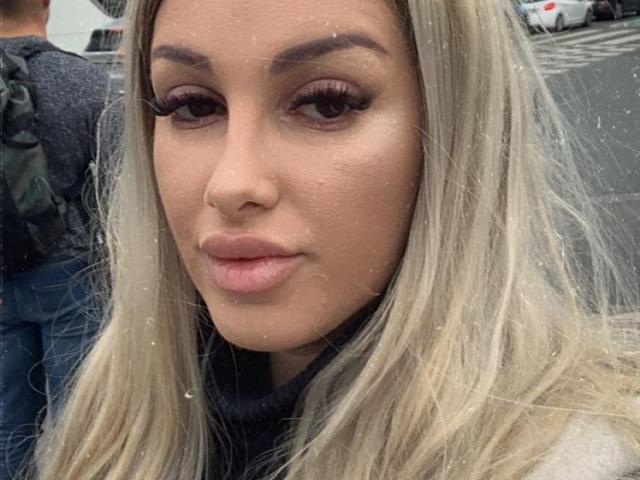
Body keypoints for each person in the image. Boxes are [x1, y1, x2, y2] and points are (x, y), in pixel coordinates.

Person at [32, 0, 640, 479]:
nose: (231, 184)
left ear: (453, 124)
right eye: (191, 106)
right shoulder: (109, 421)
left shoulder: (572, 457)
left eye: (326, 103)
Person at [0, 0, 109, 477]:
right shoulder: (83, 79)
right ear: (45, 4)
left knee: (7, 425)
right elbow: (120, 185)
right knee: (79, 422)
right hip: (70, 274)